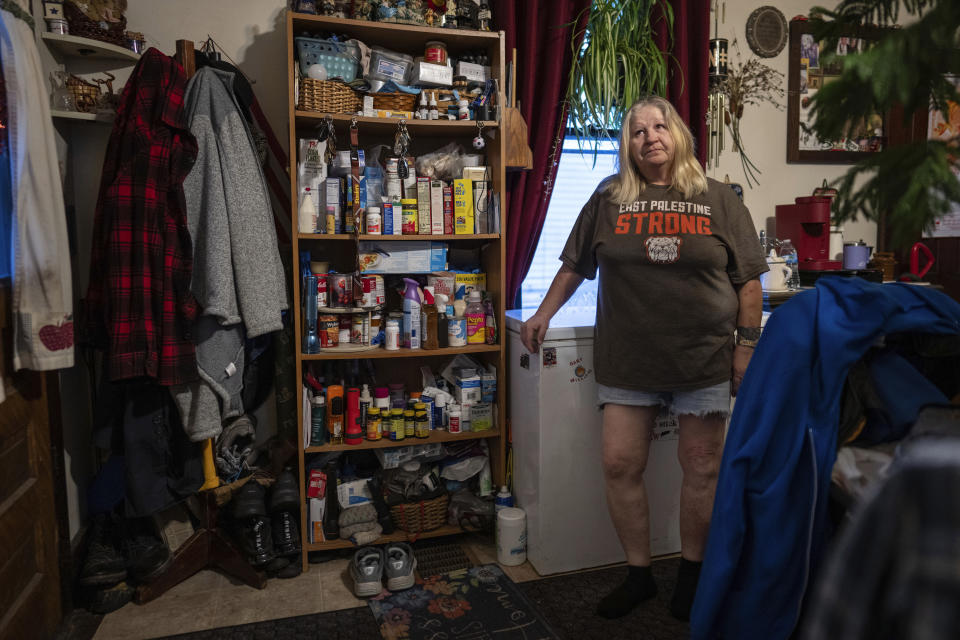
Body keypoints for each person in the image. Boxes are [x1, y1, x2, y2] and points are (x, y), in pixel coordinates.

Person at [520, 96, 767, 621]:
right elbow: (572, 265)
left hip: (702, 358)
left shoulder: (720, 198)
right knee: (618, 464)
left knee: (701, 466)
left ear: (678, 134)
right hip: (629, 359)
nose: (650, 136)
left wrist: (746, 348)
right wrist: (541, 314)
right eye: (637, 130)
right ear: (627, 145)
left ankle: (692, 575)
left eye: (660, 126)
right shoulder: (609, 198)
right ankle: (639, 575)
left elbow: (748, 283)